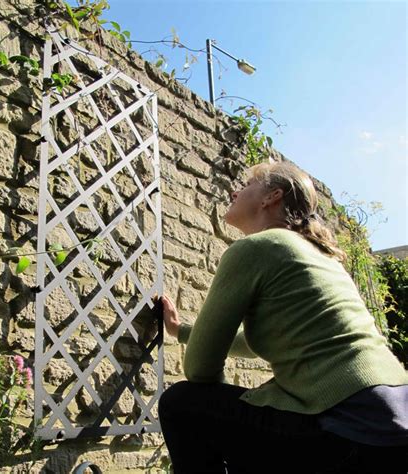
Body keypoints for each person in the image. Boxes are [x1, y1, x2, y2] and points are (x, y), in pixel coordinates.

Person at [156, 161, 408, 474]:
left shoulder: (257, 248)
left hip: (348, 430)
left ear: (271, 197)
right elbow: (263, 341)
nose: (235, 190)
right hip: (396, 425)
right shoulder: (319, 254)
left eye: (247, 184)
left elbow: (200, 369)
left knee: (182, 403)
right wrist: (181, 330)